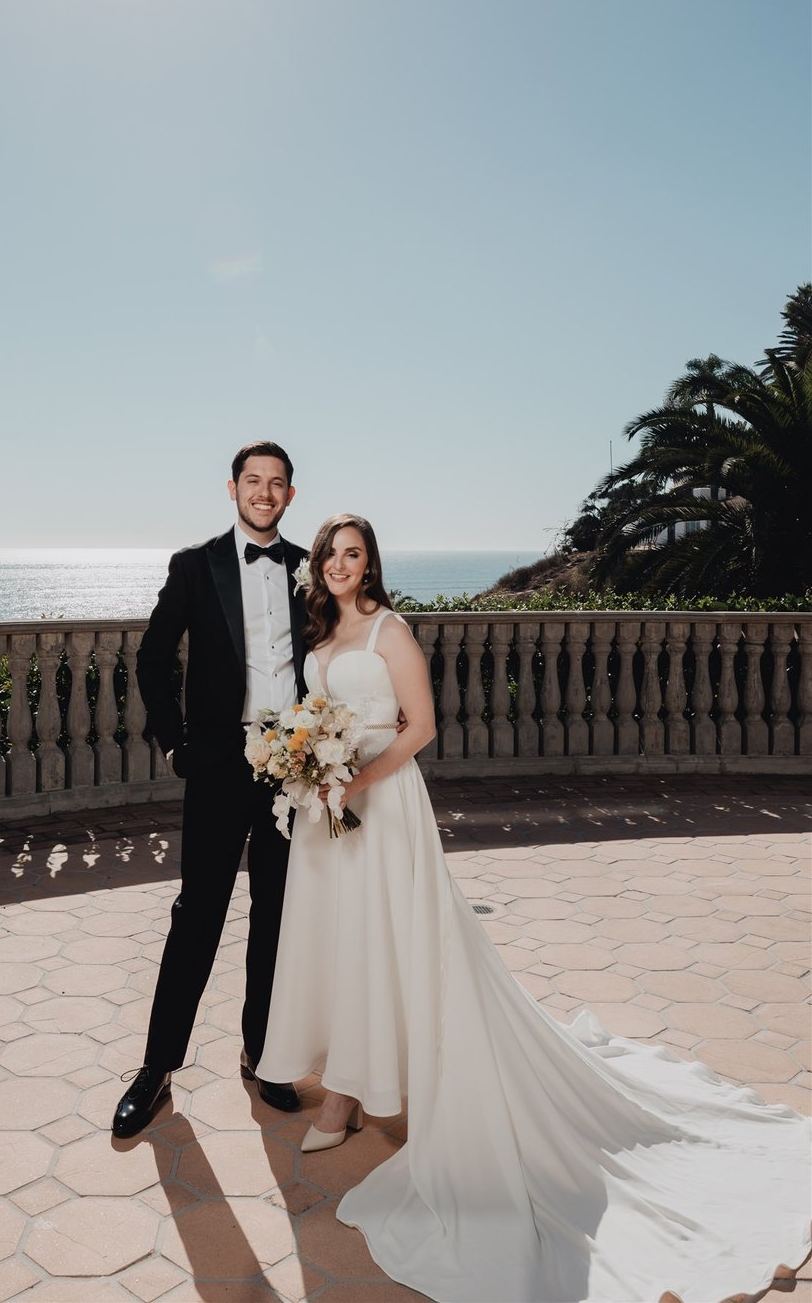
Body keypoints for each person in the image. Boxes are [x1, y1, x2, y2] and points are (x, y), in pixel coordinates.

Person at [258, 513, 812, 1303]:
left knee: (394, 944)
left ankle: (372, 1086)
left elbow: (422, 727)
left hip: (382, 808)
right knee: (343, 945)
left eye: (355, 554)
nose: (342, 565)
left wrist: (358, 780)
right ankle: (343, 1090)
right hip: (330, 819)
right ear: (318, 566)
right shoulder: (317, 638)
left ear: (371, 563)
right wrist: (310, 766)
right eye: (331, 555)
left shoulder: (391, 631)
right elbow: (316, 720)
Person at [111, 441, 308, 1138]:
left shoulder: (310, 572)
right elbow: (152, 657)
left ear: (291, 494)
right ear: (233, 490)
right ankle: (156, 1069)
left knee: (278, 917)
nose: (264, 492)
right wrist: (177, 743)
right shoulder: (195, 566)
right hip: (219, 769)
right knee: (197, 915)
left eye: (276, 482)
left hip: (295, 772)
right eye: (252, 481)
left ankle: (264, 1055)